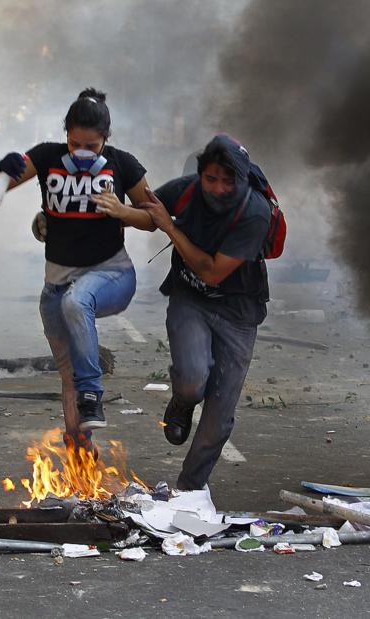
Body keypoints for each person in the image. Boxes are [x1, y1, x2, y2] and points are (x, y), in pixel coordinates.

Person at [0, 88, 154, 456]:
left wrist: (123, 212)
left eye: (91, 146)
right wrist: (1, 172)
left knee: (78, 303)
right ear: (66, 136)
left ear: (106, 140)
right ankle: (79, 448)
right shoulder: (47, 157)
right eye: (75, 143)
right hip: (56, 285)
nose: (82, 153)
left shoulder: (122, 165)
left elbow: (155, 217)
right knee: (68, 373)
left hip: (112, 275)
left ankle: (93, 394)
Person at [140, 134, 272, 490]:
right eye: (210, 179)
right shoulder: (186, 190)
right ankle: (182, 402)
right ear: (200, 176)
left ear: (242, 180)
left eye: (228, 181)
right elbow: (143, 210)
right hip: (190, 301)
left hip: (238, 312)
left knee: (218, 420)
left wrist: (170, 227)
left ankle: (188, 490)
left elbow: (212, 271)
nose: (217, 189)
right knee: (193, 378)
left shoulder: (255, 213)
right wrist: (99, 209)